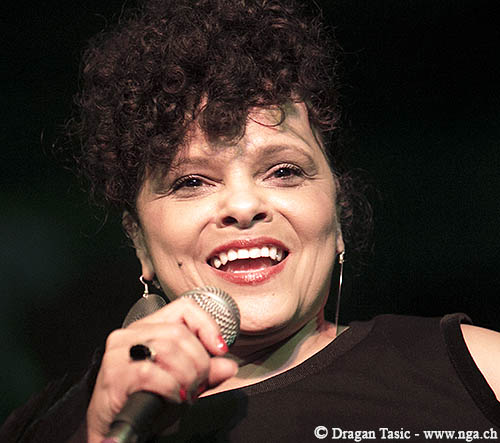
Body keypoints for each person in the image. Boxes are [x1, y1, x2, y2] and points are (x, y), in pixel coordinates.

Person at [2, 0, 499, 441]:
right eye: (192, 181)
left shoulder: (476, 372)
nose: (243, 206)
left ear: (337, 212)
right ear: (140, 243)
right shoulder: (52, 426)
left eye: (284, 171)